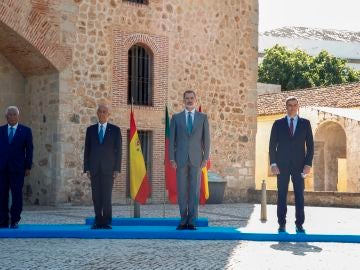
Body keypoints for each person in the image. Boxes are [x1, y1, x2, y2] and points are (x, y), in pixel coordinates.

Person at [269, 96, 314, 233]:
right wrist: (273, 164)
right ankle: (281, 223)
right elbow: (272, 146)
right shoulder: (278, 123)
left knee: (299, 195)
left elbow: (311, 146)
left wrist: (308, 164)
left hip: (300, 166)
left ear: (298, 107)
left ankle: (299, 224)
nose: (292, 107)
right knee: (281, 195)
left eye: (295, 105)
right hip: (281, 166)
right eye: (290, 105)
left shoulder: (305, 124)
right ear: (286, 107)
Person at [169, 90, 210, 230]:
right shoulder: (176, 118)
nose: (189, 100)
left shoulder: (203, 118)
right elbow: (172, 141)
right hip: (180, 160)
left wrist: (205, 158)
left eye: (192, 98)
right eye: (187, 98)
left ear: (195, 99)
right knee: (182, 190)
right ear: (183, 100)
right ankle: (183, 220)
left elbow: (206, 139)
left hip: (197, 160)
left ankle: (192, 221)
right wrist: (172, 159)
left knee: (194, 191)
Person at [84, 104, 122, 229]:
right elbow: (87, 150)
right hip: (94, 169)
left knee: (106, 196)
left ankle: (106, 221)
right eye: (100, 111)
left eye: (104, 112)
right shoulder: (90, 130)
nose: (102, 114)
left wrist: (117, 168)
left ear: (108, 114)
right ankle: (98, 220)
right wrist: (87, 168)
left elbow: (119, 151)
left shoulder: (115, 130)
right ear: (97, 113)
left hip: (109, 169)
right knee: (96, 197)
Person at [0, 106, 33, 229]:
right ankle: (2, 220)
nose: (12, 116)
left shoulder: (25, 131)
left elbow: (29, 150)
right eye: (10, 114)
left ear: (18, 116)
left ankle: (15, 220)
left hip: (18, 169)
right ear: (6, 117)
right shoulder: (1, 130)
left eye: (14, 114)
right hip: (2, 169)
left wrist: (28, 166)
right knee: (2, 194)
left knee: (16, 194)